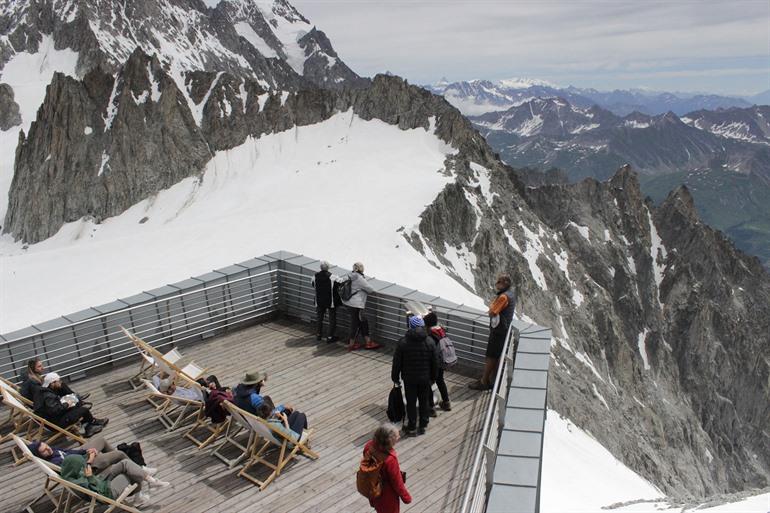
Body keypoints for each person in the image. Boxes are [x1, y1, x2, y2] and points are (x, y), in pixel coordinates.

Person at [28, 436, 164, 484]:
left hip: (83, 456)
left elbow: (70, 452)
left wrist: (86, 451)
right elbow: (75, 467)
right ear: (40, 455)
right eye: (44, 451)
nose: (48, 449)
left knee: (101, 440)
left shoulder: (53, 451)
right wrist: (91, 456)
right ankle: (139, 468)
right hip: (86, 466)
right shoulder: (53, 462)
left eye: (47, 446)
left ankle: (134, 467)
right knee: (119, 454)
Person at [391, 315, 439, 435]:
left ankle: (411, 425)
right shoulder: (430, 341)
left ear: (410, 326)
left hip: (409, 378)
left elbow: (397, 362)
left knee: (411, 402)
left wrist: (395, 377)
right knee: (424, 401)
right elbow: (435, 362)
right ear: (422, 326)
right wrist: (433, 377)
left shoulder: (403, 342)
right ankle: (423, 424)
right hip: (425, 378)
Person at [470, 274, 518, 391]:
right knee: (496, 356)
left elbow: (492, 312)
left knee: (491, 356)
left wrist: (492, 305)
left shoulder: (503, 297)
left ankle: (484, 382)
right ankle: (491, 380)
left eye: (499, 282)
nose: (496, 284)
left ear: (505, 283)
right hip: (504, 330)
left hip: (498, 332)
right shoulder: (511, 294)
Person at [59, 453, 162, 508]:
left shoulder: (70, 475)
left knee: (125, 463)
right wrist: (90, 477)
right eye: (81, 466)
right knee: (131, 473)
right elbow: (98, 492)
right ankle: (147, 487)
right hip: (108, 493)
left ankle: (151, 481)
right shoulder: (79, 483)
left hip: (103, 483)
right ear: (74, 468)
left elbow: (94, 484)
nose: (84, 466)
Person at [33, 373, 108, 437]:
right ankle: (89, 428)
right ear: (52, 383)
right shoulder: (48, 396)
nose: (60, 382)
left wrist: (65, 404)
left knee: (76, 405)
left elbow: (52, 408)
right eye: (58, 381)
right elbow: (54, 410)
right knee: (84, 409)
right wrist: (66, 404)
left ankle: (91, 423)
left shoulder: (44, 392)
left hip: (51, 420)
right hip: (56, 423)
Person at [363, 423, 411, 513]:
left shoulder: (368, 446)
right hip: (386, 494)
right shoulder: (389, 459)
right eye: (396, 436)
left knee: (379, 508)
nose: (399, 437)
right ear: (389, 441)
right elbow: (397, 481)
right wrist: (406, 497)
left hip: (372, 487)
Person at [342, 262, 381, 351]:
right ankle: (352, 344)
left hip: (349, 303)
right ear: (360, 268)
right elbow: (370, 289)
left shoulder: (351, 275)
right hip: (357, 305)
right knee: (356, 324)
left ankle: (367, 341)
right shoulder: (359, 278)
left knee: (362, 322)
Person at [19, 358, 89, 403]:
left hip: (40, 399)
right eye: (39, 366)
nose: (43, 368)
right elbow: (40, 394)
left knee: (58, 384)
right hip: (42, 402)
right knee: (60, 385)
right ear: (33, 369)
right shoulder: (33, 381)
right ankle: (76, 398)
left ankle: (76, 398)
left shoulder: (32, 378)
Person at [424, 311, 451, 412]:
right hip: (442, 361)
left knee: (429, 383)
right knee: (440, 380)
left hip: (433, 363)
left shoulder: (431, 335)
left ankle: (431, 408)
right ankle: (446, 402)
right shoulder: (441, 331)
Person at [311, 260, 341, 343]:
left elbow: (313, 285)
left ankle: (318, 335)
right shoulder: (333, 277)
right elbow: (340, 283)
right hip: (330, 301)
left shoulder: (314, 276)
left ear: (320, 268)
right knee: (332, 319)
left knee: (319, 318)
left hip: (319, 301)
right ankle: (330, 336)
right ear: (328, 268)